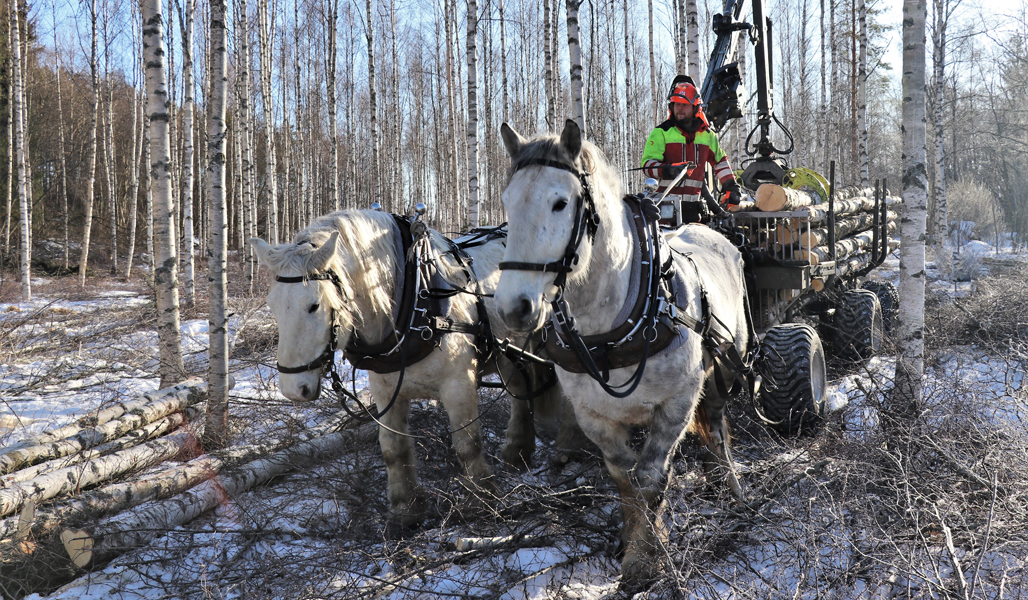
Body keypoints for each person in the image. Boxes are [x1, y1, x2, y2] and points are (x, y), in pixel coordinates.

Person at [641, 76, 742, 224]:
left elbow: (720, 162)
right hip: (665, 210)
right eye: (676, 104)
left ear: (695, 107)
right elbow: (647, 165)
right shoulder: (661, 132)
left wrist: (731, 187)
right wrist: (667, 170)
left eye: (684, 104)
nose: (680, 108)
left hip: (694, 211)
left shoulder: (708, 135)